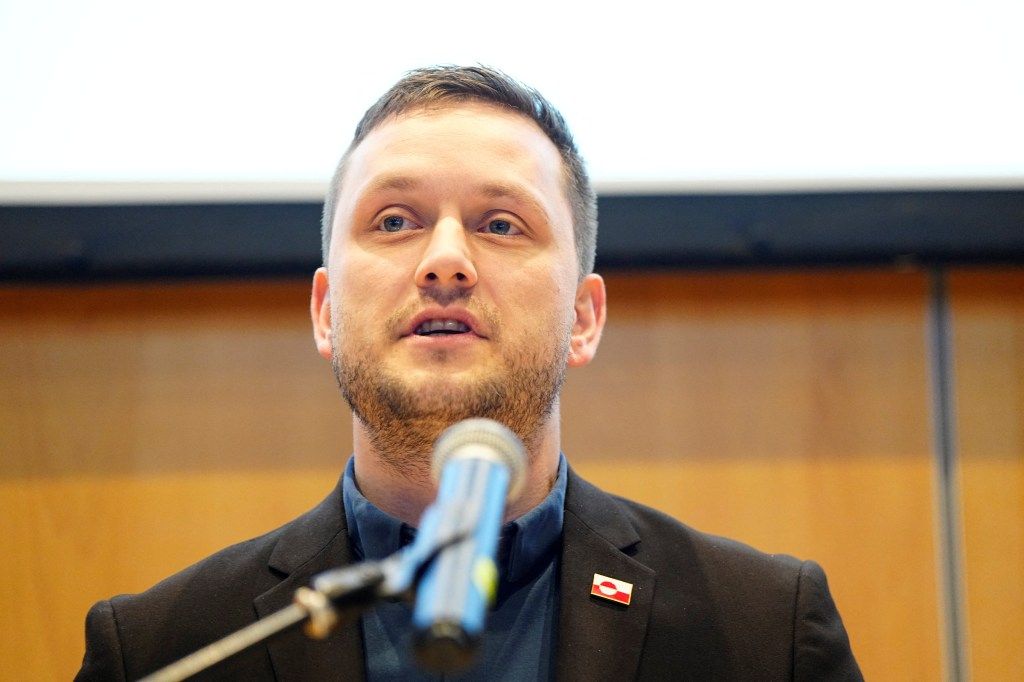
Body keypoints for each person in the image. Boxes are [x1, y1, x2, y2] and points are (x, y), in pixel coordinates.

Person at [76, 66, 862, 681]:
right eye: (393, 221)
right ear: (324, 312)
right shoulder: (164, 648)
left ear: (583, 319)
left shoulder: (764, 629)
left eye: (500, 224)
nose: (446, 261)